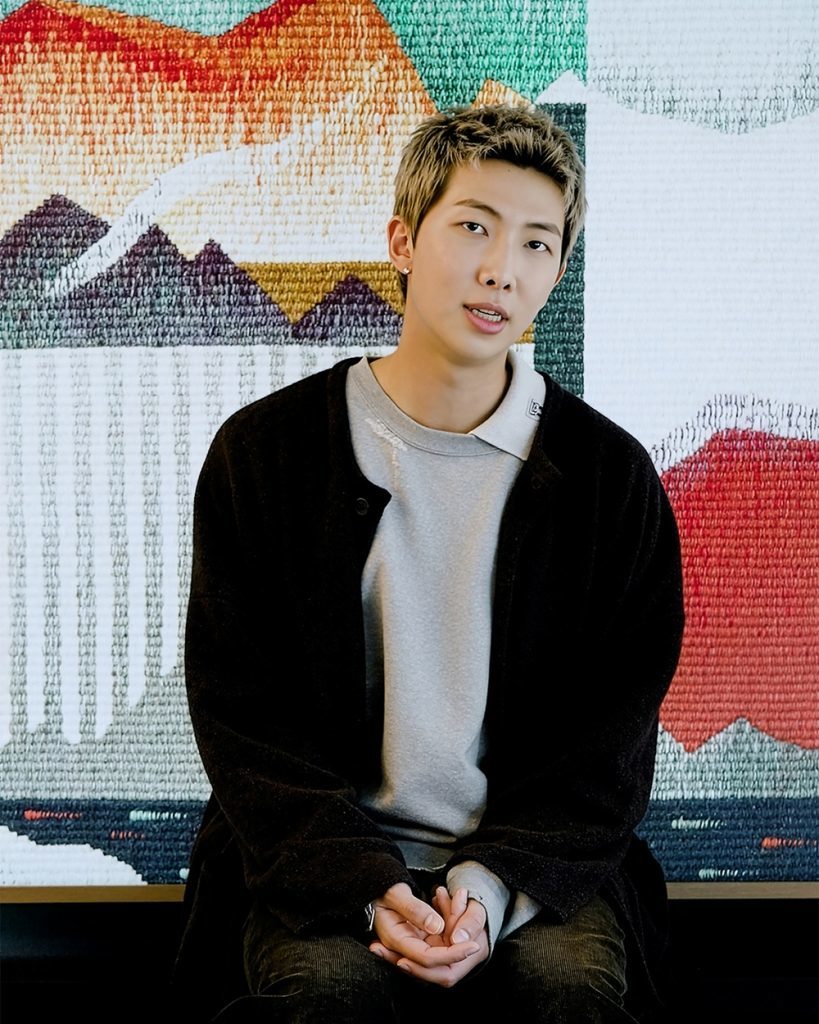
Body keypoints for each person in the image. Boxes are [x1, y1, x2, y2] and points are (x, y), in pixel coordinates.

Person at [172, 103, 685, 1023]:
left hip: (534, 868)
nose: (501, 269)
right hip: (317, 858)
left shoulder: (608, 480)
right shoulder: (267, 453)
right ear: (402, 242)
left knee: (565, 992)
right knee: (328, 996)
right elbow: (244, 720)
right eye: (473, 228)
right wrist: (365, 886)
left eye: (536, 244)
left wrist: (485, 892)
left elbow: (606, 747)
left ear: (556, 271)